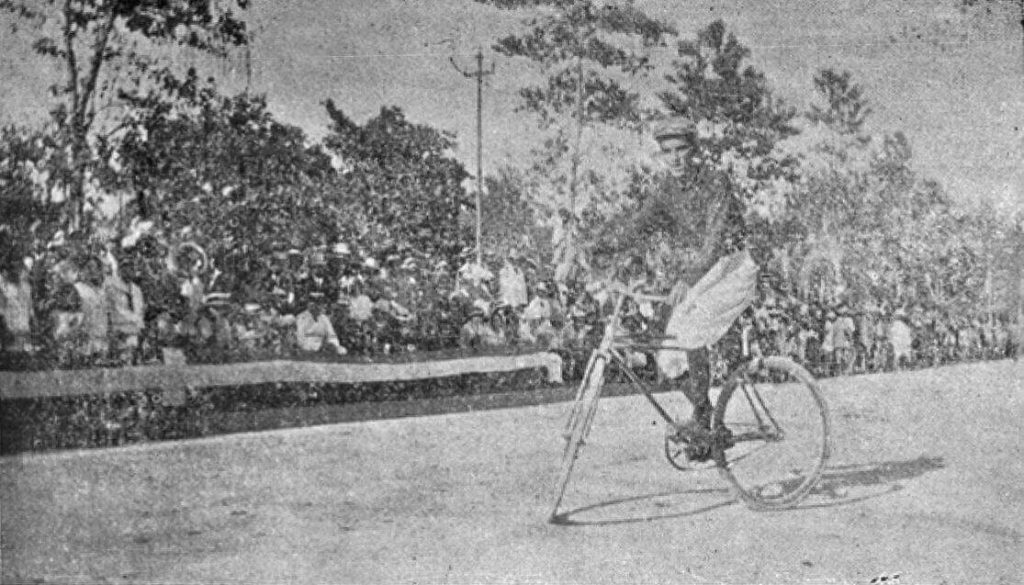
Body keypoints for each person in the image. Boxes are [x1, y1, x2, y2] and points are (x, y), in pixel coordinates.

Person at [651, 117, 754, 438]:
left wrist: (689, 277)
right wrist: (589, 250)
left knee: (691, 329)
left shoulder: (715, 182)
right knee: (667, 357)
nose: (675, 158)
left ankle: (704, 420)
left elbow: (715, 238)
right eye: (667, 152)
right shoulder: (667, 189)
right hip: (708, 273)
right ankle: (707, 417)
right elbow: (635, 225)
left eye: (682, 149)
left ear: (694, 150)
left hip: (734, 267)